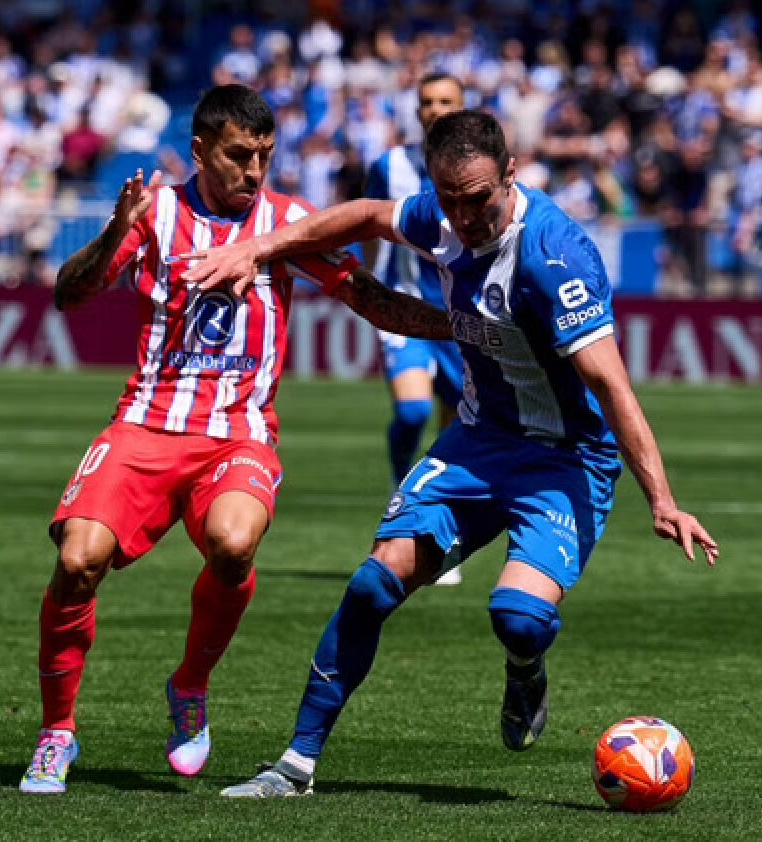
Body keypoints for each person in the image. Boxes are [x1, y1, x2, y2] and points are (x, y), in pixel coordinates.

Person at [179, 110, 719, 798]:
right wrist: (260, 248)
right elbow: (368, 216)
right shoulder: (439, 210)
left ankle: (526, 669)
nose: (462, 216)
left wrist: (663, 500)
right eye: (450, 199)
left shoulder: (555, 257)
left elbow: (612, 386)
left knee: (518, 618)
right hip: (478, 441)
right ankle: (296, 765)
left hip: (566, 460)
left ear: (512, 175)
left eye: (478, 199)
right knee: (374, 583)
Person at [18, 84, 451, 795]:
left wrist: (465, 329)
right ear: (199, 152)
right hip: (146, 423)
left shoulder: (286, 223)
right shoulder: (154, 213)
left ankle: (190, 686)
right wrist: (111, 232)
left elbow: (368, 297)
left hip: (237, 434)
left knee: (233, 542)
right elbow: (71, 294)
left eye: (265, 157)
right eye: (239, 156)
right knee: (77, 560)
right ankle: (56, 733)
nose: (254, 172)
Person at [362, 72, 467, 585]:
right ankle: (401, 496)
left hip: (462, 319)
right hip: (405, 313)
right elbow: (366, 227)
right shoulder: (391, 167)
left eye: (446, 100)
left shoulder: (479, 168)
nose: (435, 109)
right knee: (412, 410)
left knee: (455, 430)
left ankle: (434, 532)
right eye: (427, 101)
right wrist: (366, 288)